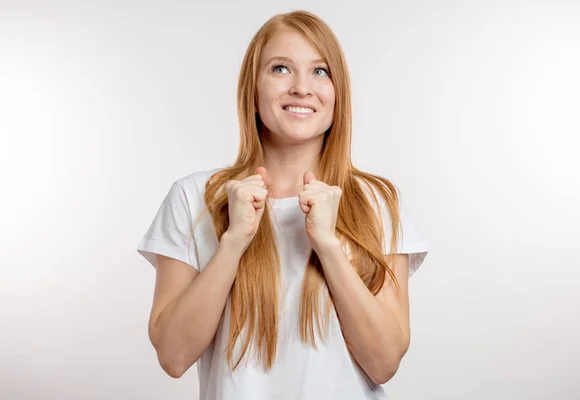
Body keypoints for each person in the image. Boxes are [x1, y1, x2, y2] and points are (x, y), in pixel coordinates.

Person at [137, 10, 428, 400]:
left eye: (320, 71)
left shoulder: (377, 202)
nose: (302, 88)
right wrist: (234, 240)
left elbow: (384, 362)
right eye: (280, 69)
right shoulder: (194, 197)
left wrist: (327, 244)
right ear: (252, 93)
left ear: (337, 94)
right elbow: (173, 356)